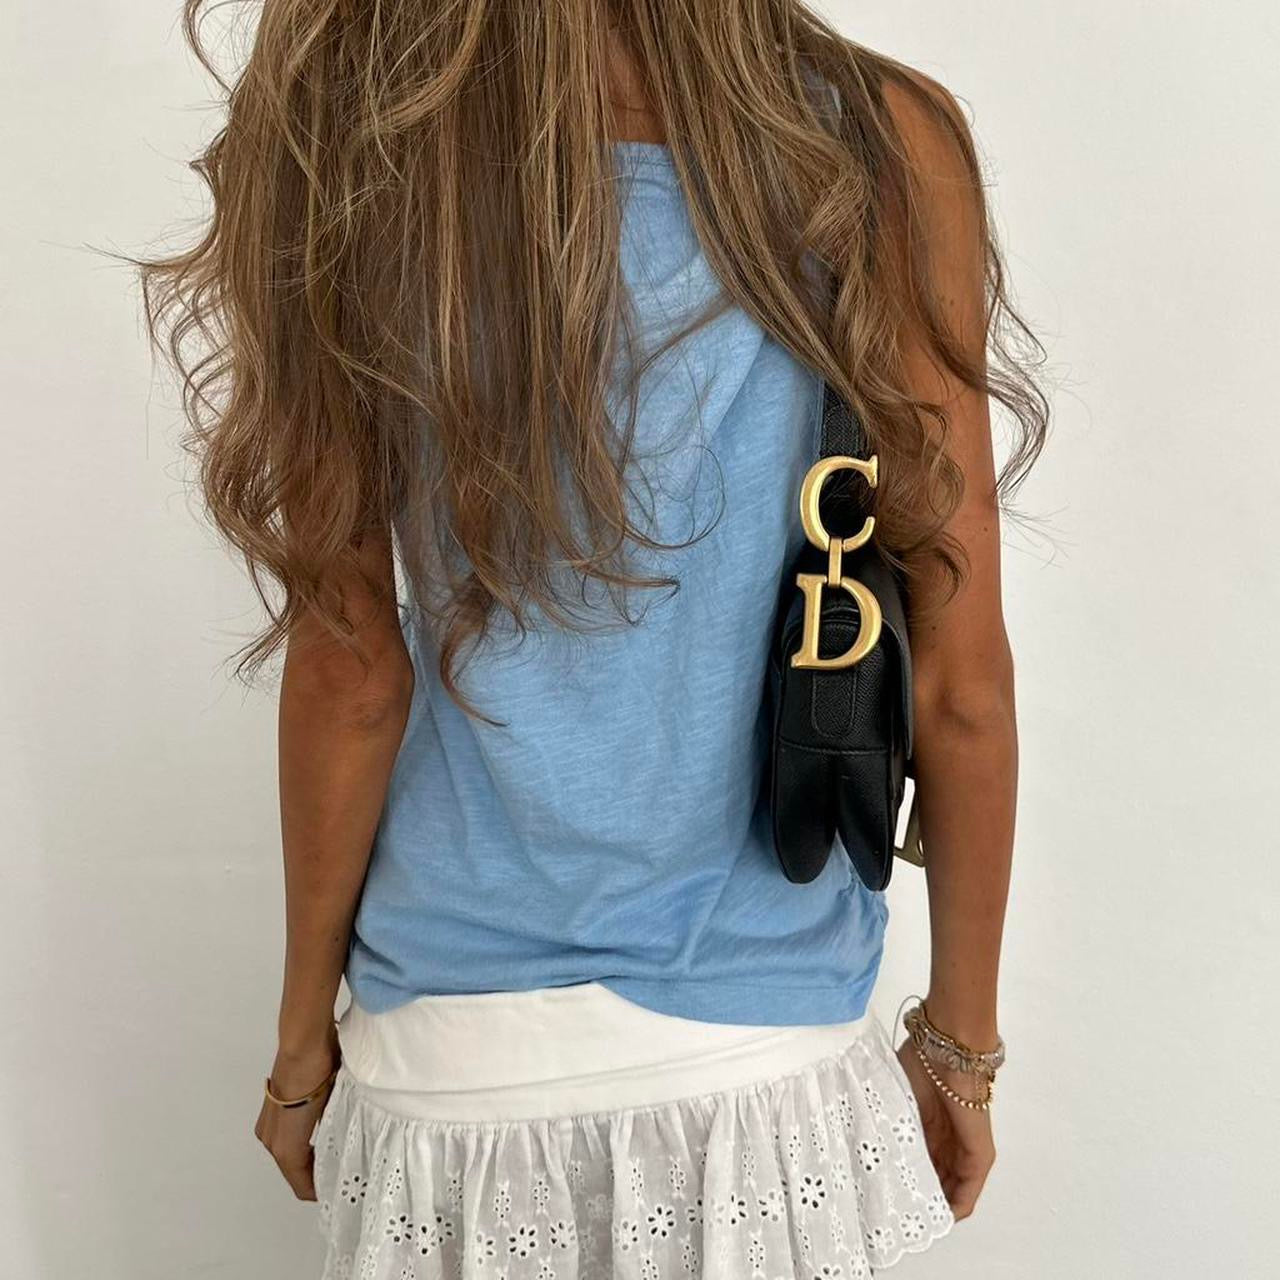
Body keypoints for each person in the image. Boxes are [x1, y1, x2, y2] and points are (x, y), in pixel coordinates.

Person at [142, 2, 1045, 1276]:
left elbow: (350, 669)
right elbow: (960, 681)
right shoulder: (877, 137)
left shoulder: (351, 124)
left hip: (452, 1059)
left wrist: (300, 1050)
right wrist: (957, 1046)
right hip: (760, 1052)